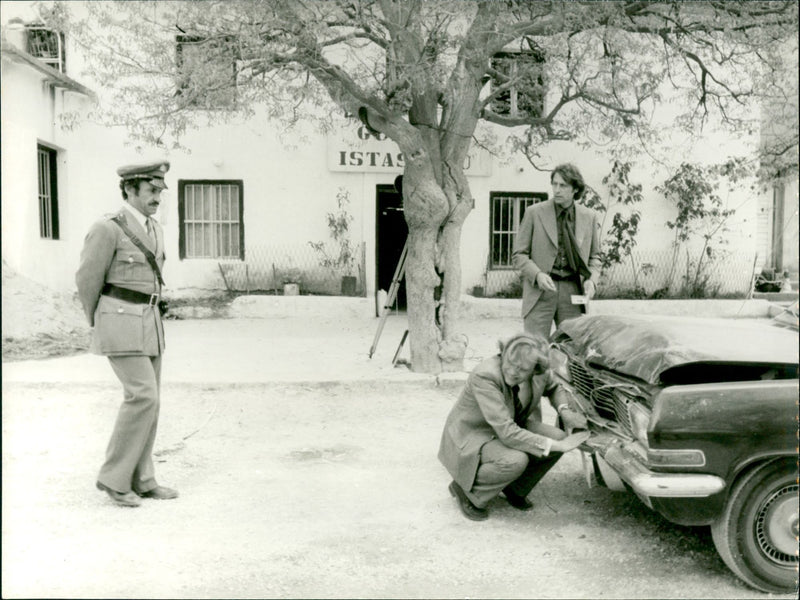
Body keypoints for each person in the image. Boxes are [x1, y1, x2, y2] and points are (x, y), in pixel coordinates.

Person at [76, 159, 178, 508]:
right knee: (142, 396)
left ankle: (143, 479)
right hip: (119, 321)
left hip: (150, 321)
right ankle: (113, 479)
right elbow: (87, 280)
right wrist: (100, 321)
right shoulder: (108, 228)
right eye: (151, 191)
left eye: (159, 192)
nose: (156, 198)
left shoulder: (154, 229)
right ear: (130, 189)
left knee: (153, 401)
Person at [438, 332, 589, 521]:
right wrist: (559, 446)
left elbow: (554, 388)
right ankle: (468, 491)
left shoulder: (540, 371)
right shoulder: (485, 375)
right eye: (509, 363)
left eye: (522, 369)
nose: (512, 371)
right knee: (516, 460)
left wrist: (565, 411)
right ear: (504, 353)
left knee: (557, 437)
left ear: (536, 368)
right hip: (474, 433)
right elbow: (507, 432)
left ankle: (514, 488)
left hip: (509, 423)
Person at [512, 163, 602, 338]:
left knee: (570, 351)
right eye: (554, 184)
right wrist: (537, 274)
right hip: (540, 291)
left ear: (575, 189)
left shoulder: (588, 217)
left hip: (572, 293)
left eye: (563, 185)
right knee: (534, 351)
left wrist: (592, 280)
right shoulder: (534, 213)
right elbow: (519, 254)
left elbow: (595, 257)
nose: (557, 190)